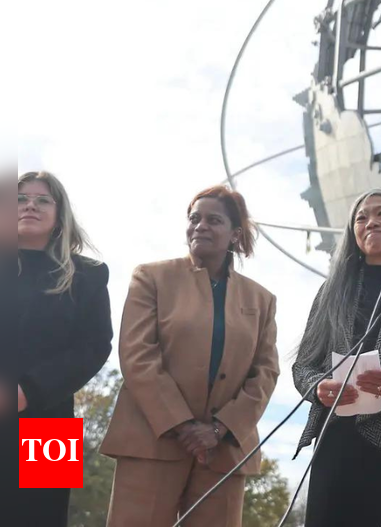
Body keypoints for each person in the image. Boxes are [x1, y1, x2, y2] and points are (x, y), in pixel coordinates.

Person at [101, 186, 279, 527]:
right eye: (194, 218)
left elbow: (266, 371)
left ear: (235, 233)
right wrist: (183, 426)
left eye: (213, 220)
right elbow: (137, 355)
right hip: (152, 440)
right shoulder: (151, 277)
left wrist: (219, 429)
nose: (200, 226)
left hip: (223, 450)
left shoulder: (262, 300)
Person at [293, 189, 381, 527]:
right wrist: (318, 388)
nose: (371, 221)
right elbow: (303, 366)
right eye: (361, 217)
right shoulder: (331, 292)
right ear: (353, 234)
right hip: (336, 441)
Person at [11, 171, 113, 527]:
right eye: (20, 199)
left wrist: (28, 391)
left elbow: (95, 346)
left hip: (48, 424)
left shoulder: (88, 274)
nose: (30, 206)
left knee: (40, 517)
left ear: (60, 214)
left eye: (42, 200)